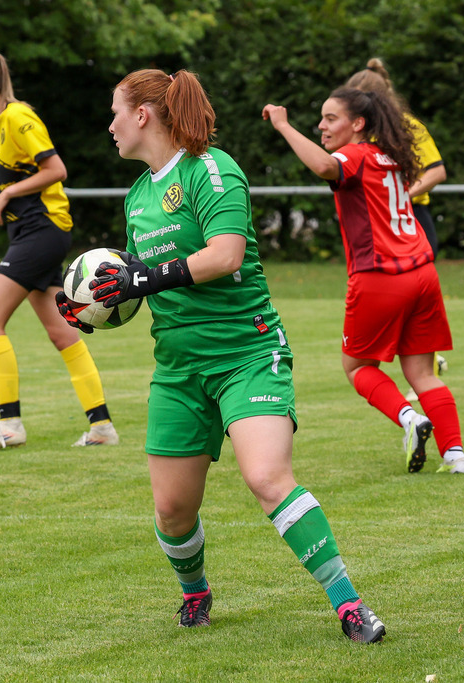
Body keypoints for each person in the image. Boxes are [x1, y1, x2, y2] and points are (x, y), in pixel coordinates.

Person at [58, 68, 386, 643]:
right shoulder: (138, 195)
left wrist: (145, 278)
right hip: (179, 369)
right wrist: (91, 306)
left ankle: (349, 604)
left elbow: (226, 255)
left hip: (247, 353)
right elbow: (139, 284)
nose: (108, 125)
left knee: (266, 476)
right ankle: (195, 593)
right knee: (172, 511)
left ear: (143, 115)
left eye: (115, 112)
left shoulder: (212, 168)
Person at [262, 87, 464, 475]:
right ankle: (457, 456)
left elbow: (326, 167)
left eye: (331, 118)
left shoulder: (355, 155)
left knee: (357, 367)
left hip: (381, 277)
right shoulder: (389, 156)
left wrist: (283, 126)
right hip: (423, 273)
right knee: (422, 373)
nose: (322, 126)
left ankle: (411, 420)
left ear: (357, 124)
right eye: (321, 119)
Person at [0, 50, 118, 449]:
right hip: (28, 233)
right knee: (60, 332)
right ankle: (102, 427)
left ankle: (9, 425)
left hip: (41, 232)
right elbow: (3, 191)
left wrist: (8, 192)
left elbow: (56, 170)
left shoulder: (18, 118)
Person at [346, 57, 449, 400]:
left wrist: (404, 194)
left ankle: (425, 366)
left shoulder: (407, 127)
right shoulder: (360, 133)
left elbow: (436, 171)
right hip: (379, 229)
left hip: (410, 223)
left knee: (411, 297)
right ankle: (424, 367)